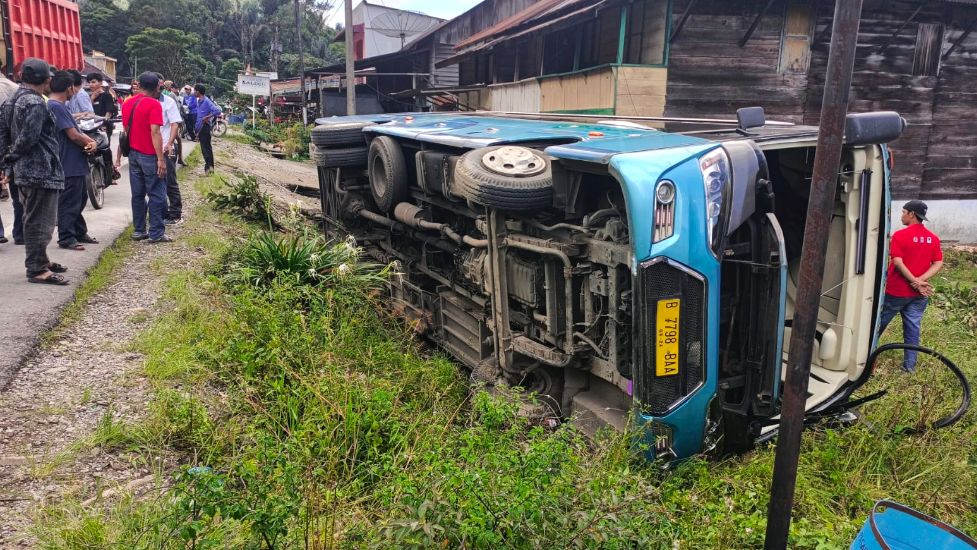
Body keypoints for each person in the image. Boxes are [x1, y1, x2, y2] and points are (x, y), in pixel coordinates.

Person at [0, 58, 70, 284]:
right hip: (40, 171)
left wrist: (7, 162)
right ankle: (37, 268)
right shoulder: (36, 103)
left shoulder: (11, 100)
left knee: (32, 217)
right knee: (41, 222)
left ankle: (42, 259)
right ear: (47, 80)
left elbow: (3, 135)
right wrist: (12, 157)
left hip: (24, 172)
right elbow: (28, 138)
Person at [878, 200, 944, 373]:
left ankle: (864, 362)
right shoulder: (933, 238)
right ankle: (909, 368)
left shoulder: (900, 236)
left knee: (877, 327)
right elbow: (938, 263)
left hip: (896, 291)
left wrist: (915, 281)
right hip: (919, 294)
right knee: (913, 329)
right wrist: (920, 281)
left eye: (904, 212)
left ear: (912, 214)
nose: (902, 215)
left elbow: (897, 262)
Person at [115, 71, 170, 243]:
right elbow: (155, 133)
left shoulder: (127, 103)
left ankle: (139, 230)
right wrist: (161, 159)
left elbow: (127, 129)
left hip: (133, 154)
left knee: (137, 194)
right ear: (156, 87)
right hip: (149, 155)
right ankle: (156, 233)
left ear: (139, 85)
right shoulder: (154, 105)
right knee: (157, 194)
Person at [49, 71, 98, 251]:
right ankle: (66, 237)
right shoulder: (56, 106)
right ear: (69, 87)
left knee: (80, 197)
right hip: (67, 161)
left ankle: (79, 231)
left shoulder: (62, 106)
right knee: (69, 201)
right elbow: (73, 134)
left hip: (74, 160)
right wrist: (90, 142)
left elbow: (76, 130)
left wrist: (88, 140)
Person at [154, 74, 183, 224]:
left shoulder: (169, 101)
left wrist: (170, 143)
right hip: (152, 148)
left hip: (166, 147)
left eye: (161, 85)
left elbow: (175, 124)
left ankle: (175, 212)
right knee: (156, 182)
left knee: (170, 180)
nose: (160, 87)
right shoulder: (147, 101)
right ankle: (161, 212)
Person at [87, 72, 120, 181]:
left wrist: (104, 123)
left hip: (103, 127)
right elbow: (85, 110)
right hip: (89, 127)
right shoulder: (88, 96)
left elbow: (109, 111)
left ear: (100, 83)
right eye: (89, 82)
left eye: (93, 82)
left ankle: (111, 173)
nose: (91, 85)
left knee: (105, 149)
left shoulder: (106, 95)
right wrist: (92, 98)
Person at [193, 84, 220, 174]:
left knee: (206, 149)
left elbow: (217, 111)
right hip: (200, 128)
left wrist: (207, 117)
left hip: (205, 128)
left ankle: (209, 169)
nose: (193, 92)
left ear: (198, 92)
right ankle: (209, 168)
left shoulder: (206, 101)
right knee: (205, 149)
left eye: (194, 90)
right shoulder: (199, 101)